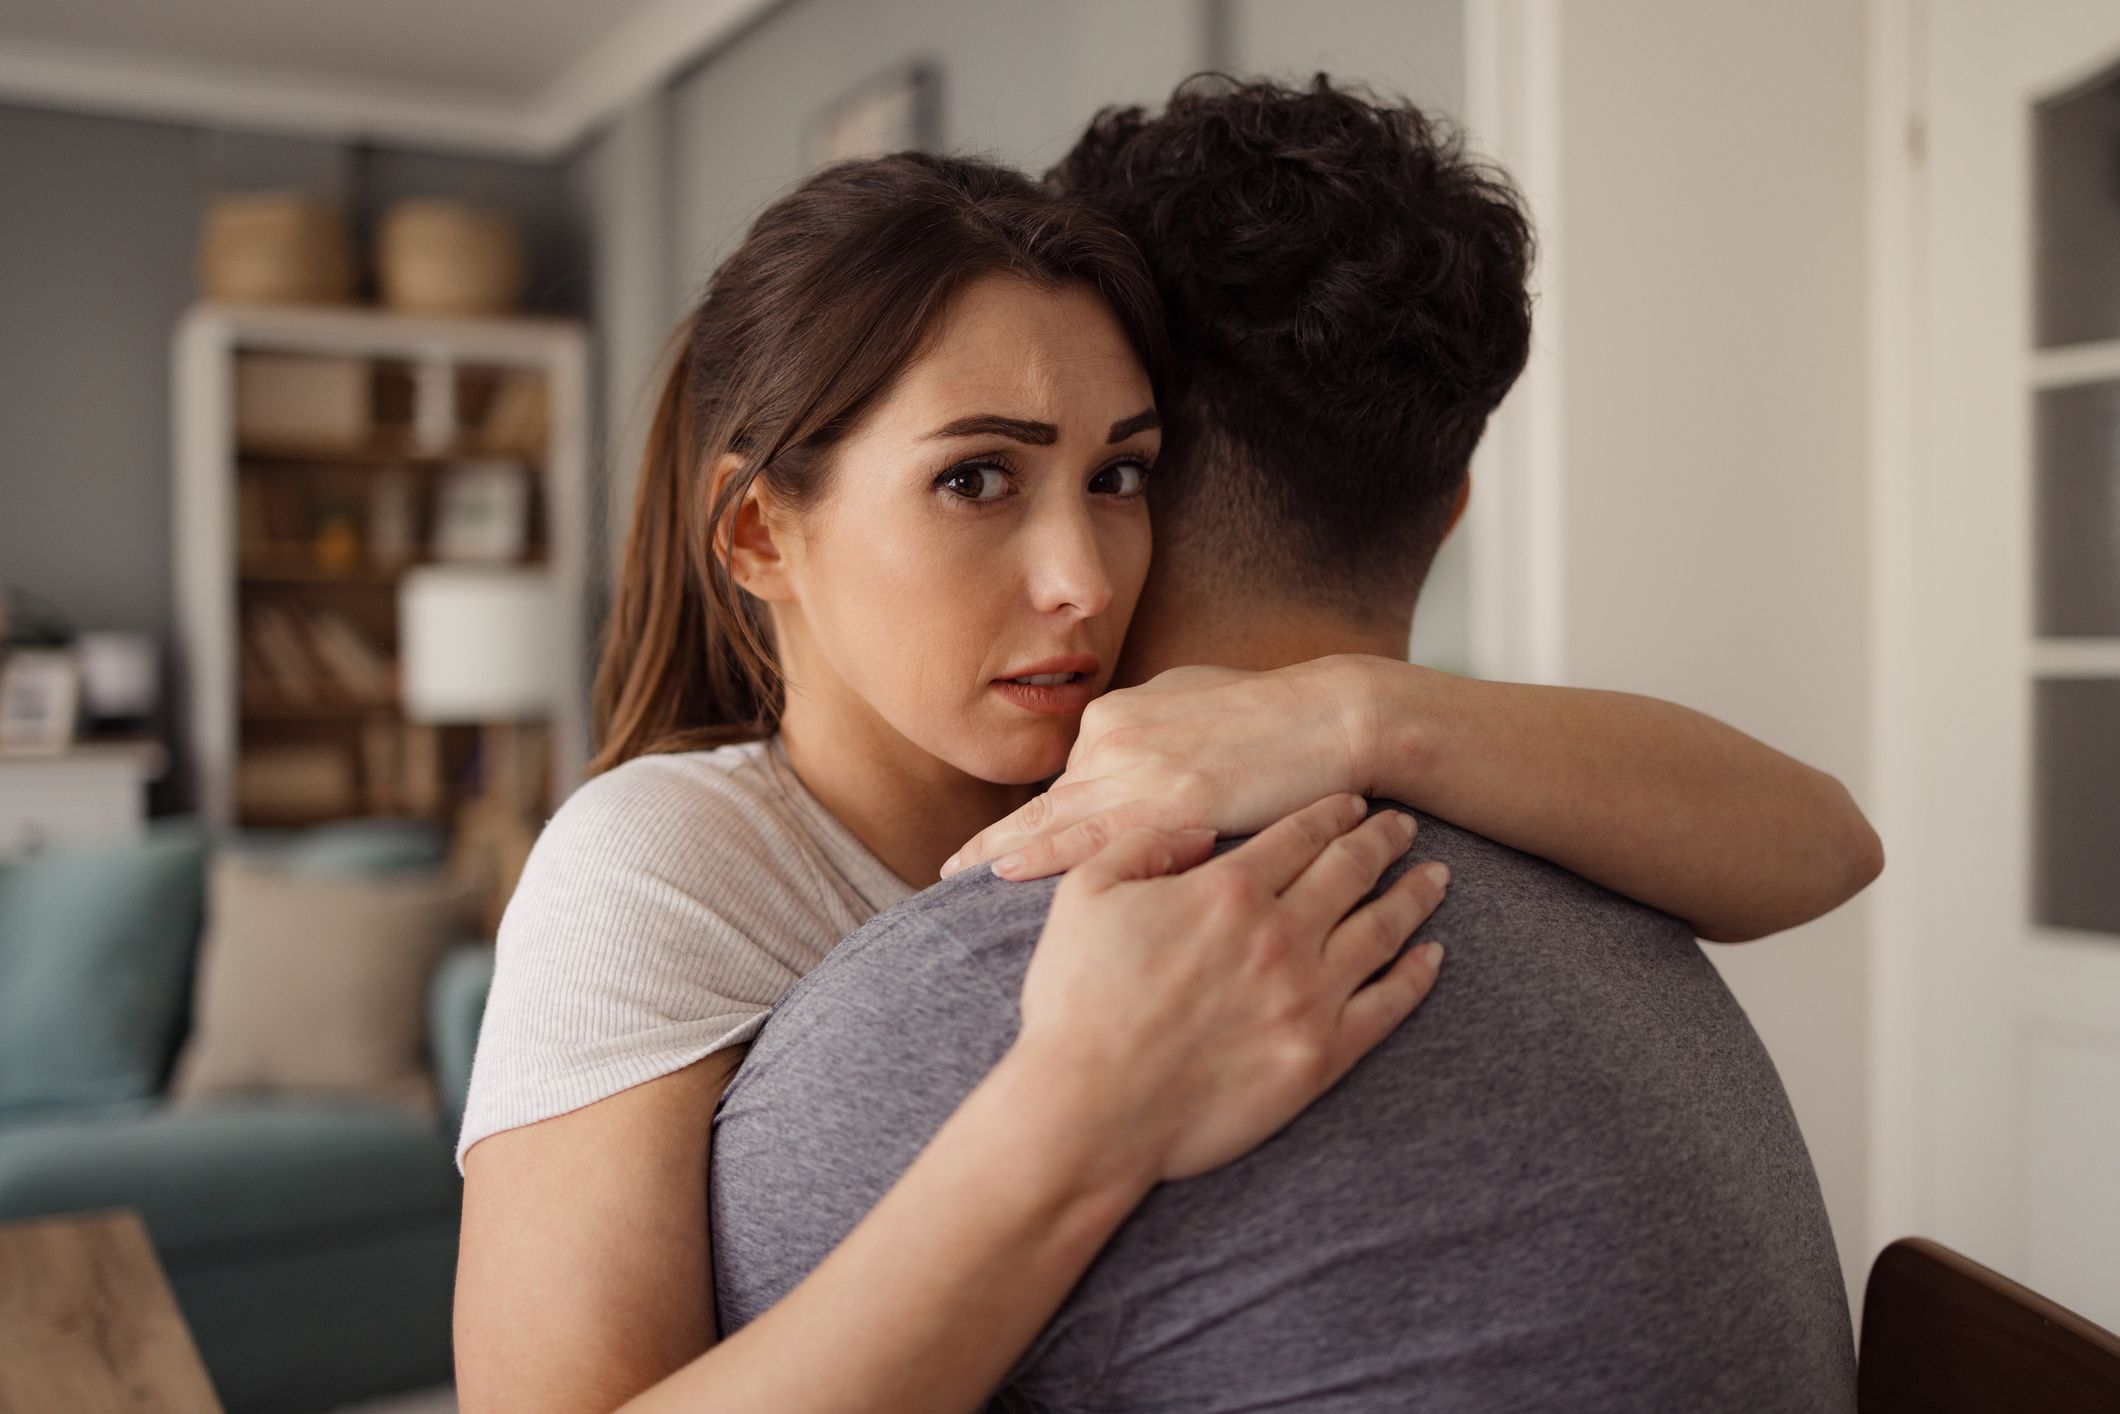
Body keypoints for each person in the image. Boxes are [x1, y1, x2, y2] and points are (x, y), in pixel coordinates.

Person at [456, 137, 1876, 1412]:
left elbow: (1823, 837)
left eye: (1122, 477)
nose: (1081, 579)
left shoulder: (1167, 757)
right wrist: (1083, 1106)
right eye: (976, 480)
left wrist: (1352, 712)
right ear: (761, 533)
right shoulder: (652, 866)